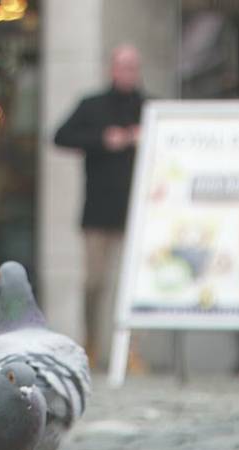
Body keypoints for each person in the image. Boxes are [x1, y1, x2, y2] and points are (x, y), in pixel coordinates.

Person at [53, 44, 145, 370]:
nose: (128, 73)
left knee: (134, 286)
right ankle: (92, 341)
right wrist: (104, 140)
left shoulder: (148, 106)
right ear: (112, 69)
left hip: (137, 212)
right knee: (95, 282)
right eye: (123, 66)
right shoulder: (93, 106)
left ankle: (130, 350)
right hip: (99, 211)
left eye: (133, 67)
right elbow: (60, 136)